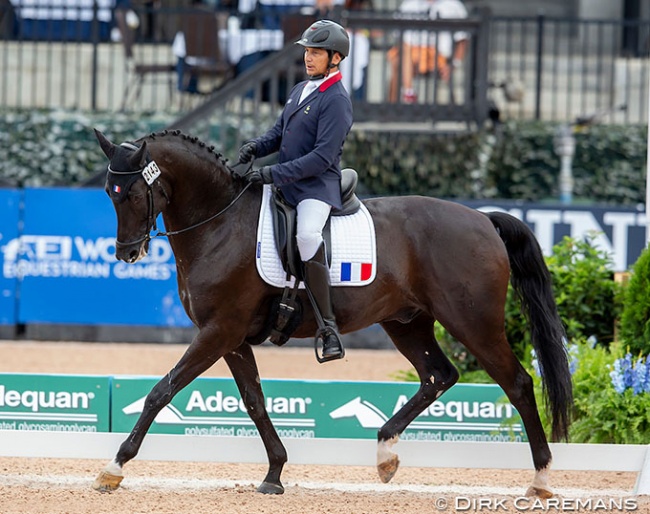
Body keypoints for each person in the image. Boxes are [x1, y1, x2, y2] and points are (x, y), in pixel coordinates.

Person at [236, 19, 353, 363]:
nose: (308, 58)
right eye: (307, 52)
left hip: (316, 186)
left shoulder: (337, 100)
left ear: (335, 58)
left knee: (306, 236)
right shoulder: (301, 90)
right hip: (288, 181)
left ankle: (328, 326)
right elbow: (279, 133)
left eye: (316, 53)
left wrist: (272, 173)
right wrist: (256, 147)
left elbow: (321, 157)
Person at [388, 0, 468, 103]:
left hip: (438, 56)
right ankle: (398, 102)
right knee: (398, 55)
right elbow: (397, 34)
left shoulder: (454, 5)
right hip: (412, 54)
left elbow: (463, 39)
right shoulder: (409, 5)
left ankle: (408, 94)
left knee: (404, 49)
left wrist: (454, 64)